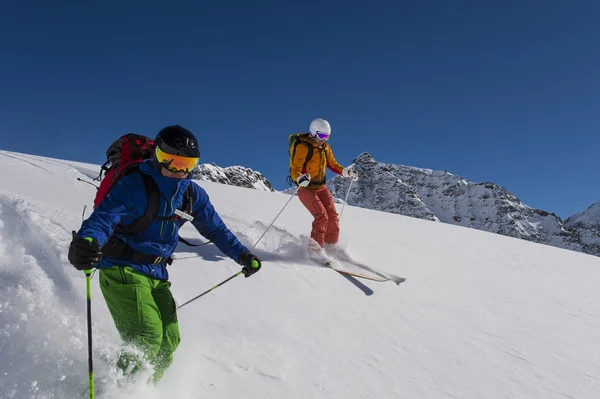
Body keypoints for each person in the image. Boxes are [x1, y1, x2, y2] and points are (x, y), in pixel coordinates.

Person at [67, 125, 261, 383]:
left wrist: (242, 256)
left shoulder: (192, 194)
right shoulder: (135, 185)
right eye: (174, 162)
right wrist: (87, 242)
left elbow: (216, 229)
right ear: (158, 156)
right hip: (122, 269)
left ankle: (141, 389)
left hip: (157, 275)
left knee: (169, 341)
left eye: (188, 164)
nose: (180, 171)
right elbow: (103, 219)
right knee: (146, 337)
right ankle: (116, 392)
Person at [290, 118, 358, 253]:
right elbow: (295, 168)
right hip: (305, 188)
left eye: (327, 136)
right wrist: (299, 178)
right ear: (313, 133)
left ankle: (330, 247)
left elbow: (333, 164)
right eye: (321, 135)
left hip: (321, 187)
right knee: (321, 217)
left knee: (332, 217)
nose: (324, 139)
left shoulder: (325, 148)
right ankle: (315, 252)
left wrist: (347, 172)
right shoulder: (303, 146)